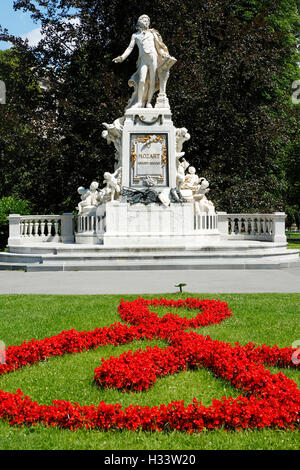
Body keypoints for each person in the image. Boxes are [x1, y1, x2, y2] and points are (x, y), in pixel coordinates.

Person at [113, 15, 175, 109]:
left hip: (153, 58)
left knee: (152, 80)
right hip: (143, 59)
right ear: (139, 22)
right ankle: (139, 102)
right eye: (144, 20)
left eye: (147, 20)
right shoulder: (135, 35)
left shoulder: (153, 33)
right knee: (142, 80)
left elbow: (158, 46)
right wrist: (122, 57)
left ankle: (149, 102)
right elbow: (130, 48)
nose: (146, 21)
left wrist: (163, 53)